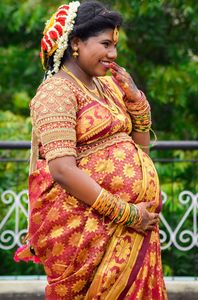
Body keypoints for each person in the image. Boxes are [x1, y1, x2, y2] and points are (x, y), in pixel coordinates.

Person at [14, 1, 168, 299]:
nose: (113, 54)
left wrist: (136, 98)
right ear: (75, 43)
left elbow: (140, 148)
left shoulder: (109, 86)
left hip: (135, 227)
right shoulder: (57, 91)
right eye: (105, 44)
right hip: (90, 233)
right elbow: (62, 170)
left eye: (115, 45)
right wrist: (127, 213)